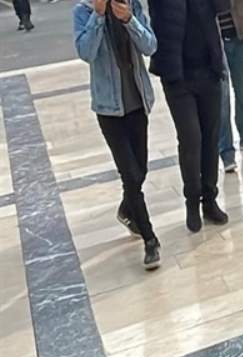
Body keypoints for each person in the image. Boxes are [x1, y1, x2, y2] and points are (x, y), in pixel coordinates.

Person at [74, 0, 161, 269]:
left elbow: (150, 46)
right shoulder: (84, 11)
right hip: (109, 109)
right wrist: (99, 16)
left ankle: (126, 209)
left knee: (140, 170)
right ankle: (150, 239)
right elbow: (86, 52)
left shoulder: (131, 5)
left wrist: (129, 20)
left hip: (137, 103)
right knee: (130, 174)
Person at [149, 0, 231, 233]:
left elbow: (223, 6)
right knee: (190, 139)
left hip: (208, 68)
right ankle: (192, 201)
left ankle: (209, 199)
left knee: (211, 137)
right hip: (176, 74)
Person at [217, 0, 243, 173]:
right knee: (222, 97)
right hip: (215, 43)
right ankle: (226, 152)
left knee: (242, 91)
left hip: (239, 35)